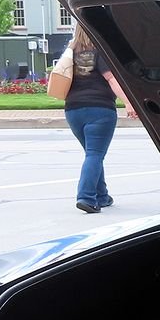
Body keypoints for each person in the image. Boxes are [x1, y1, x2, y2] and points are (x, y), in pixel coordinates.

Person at [53, 24, 129, 213]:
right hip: (100, 109)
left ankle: (101, 196)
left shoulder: (70, 53)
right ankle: (86, 197)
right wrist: (129, 102)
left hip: (73, 110)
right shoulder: (100, 51)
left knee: (92, 154)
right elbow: (112, 79)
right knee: (95, 155)